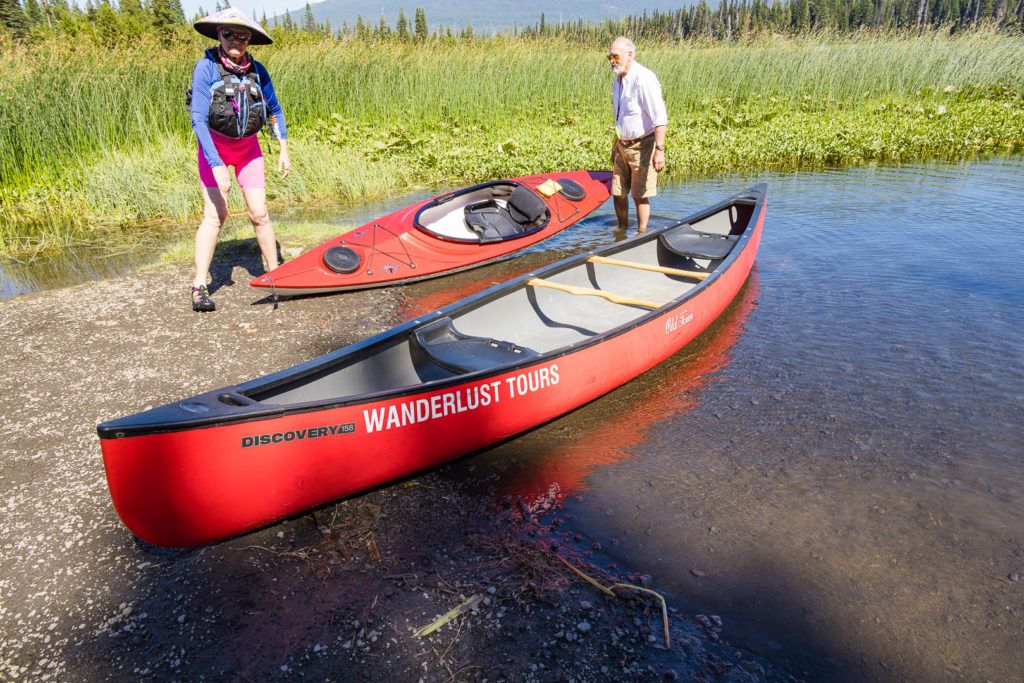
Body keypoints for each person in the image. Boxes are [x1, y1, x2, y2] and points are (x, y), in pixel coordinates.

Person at [188, 8, 291, 312]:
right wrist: (216, 164)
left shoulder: (258, 71)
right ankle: (199, 285)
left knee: (259, 213)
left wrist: (283, 148)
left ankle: (276, 276)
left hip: (248, 149)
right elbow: (197, 119)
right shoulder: (206, 67)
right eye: (228, 33)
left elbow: (275, 110)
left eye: (242, 35)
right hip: (215, 149)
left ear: (250, 40)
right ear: (218, 35)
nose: (235, 40)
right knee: (215, 215)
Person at [608, 36, 667, 233]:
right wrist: (616, 145)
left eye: (615, 56)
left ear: (630, 55)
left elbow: (659, 117)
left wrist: (659, 150)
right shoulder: (617, 81)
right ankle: (621, 230)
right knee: (617, 193)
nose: (612, 60)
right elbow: (620, 117)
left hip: (644, 145)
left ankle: (642, 234)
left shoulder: (644, 79)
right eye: (609, 56)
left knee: (639, 194)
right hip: (622, 146)